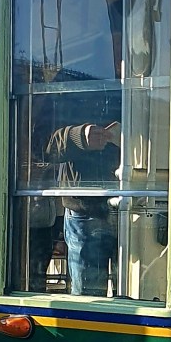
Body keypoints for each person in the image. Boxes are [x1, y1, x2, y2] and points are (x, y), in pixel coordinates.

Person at [45, 118, 121, 294]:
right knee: (88, 295)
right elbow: (42, 147)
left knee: (136, 289)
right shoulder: (63, 95)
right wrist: (77, 136)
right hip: (86, 208)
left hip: (132, 203)